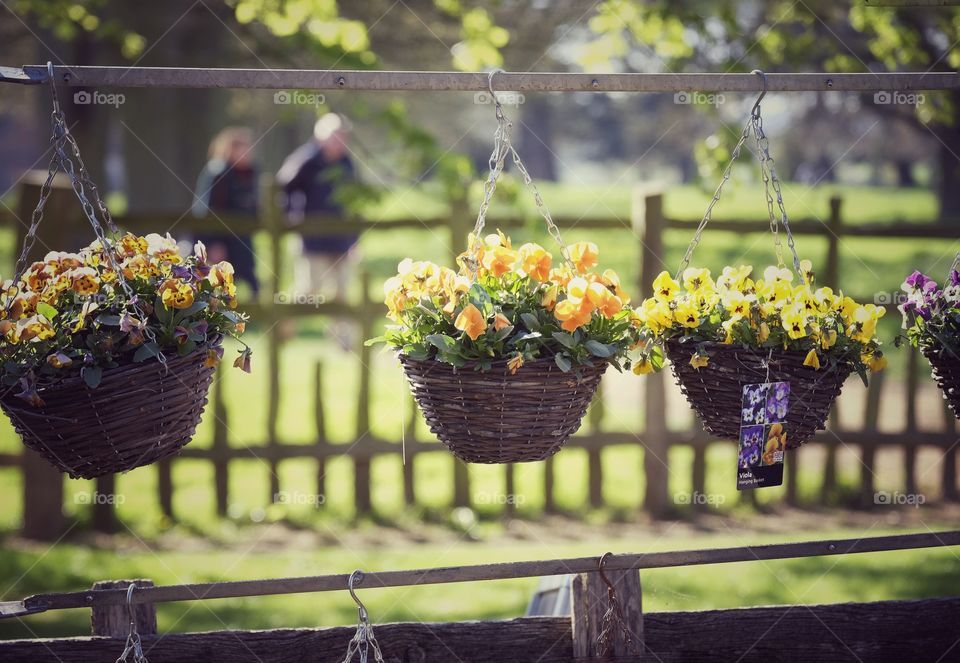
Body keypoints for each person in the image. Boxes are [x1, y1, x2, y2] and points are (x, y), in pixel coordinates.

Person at [276, 113, 358, 305]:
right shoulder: (306, 161)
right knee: (309, 290)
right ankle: (282, 325)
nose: (340, 142)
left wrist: (355, 239)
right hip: (312, 239)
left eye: (343, 137)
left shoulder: (347, 164)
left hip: (341, 239)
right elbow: (283, 189)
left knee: (342, 294)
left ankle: (344, 336)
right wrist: (291, 217)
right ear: (322, 137)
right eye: (335, 137)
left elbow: (354, 203)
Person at [192, 127, 260, 295]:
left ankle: (254, 319)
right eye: (241, 148)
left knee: (250, 284)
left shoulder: (249, 175)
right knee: (217, 286)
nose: (246, 153)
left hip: (242, 241)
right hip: (223, 241)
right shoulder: (218, 173)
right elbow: (208, 210)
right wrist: (215, 243)